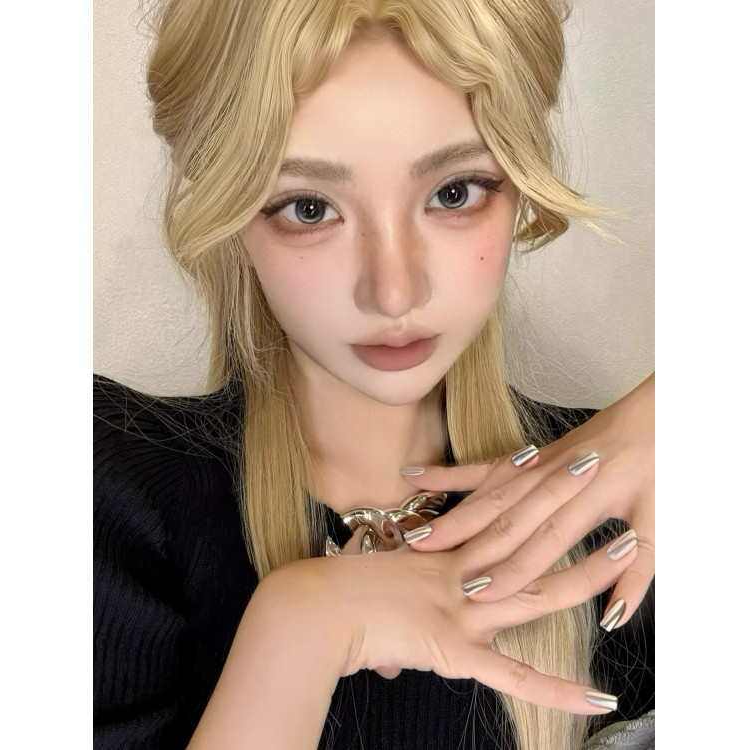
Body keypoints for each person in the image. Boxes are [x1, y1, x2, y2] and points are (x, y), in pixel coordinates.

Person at [94, 1, 654, 749]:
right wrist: (302, 624)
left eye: (454, 192)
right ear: (229, 209)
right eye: (308, 207)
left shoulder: (625, 500)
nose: (393, 292)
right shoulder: (107, 497)